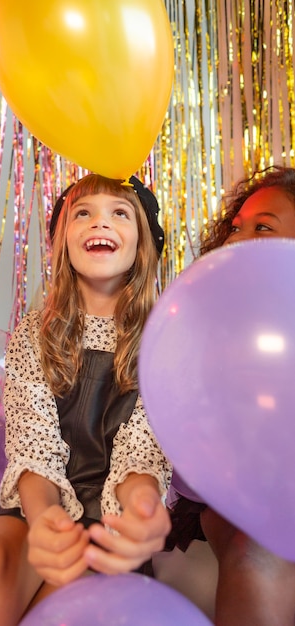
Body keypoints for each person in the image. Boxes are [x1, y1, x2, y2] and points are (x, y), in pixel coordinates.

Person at [0, 173, 172, 626]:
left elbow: (142, 455)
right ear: (63, 241)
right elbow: (33, 451)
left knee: (70, 601)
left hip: (111, 515)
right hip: (35, 499)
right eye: (84, 213)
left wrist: (142, 508)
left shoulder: (166, 341)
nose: (100, 223)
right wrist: (44, 523)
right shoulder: (35, 335)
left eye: (119, 213)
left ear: (143, 243)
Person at [167, 165, 295, 626]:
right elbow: (189, 467)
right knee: (253, 551)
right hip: (227, 501)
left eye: (263, 227)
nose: (236, 241)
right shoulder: (201, 329)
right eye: (235, 228)